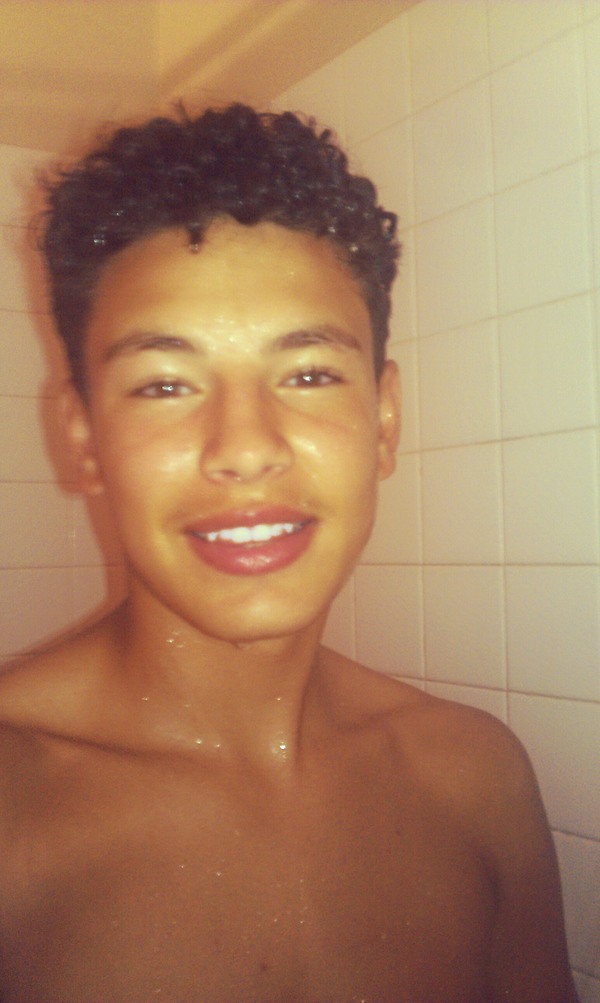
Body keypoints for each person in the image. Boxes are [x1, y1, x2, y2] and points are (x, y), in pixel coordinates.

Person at [0, 104, 578, 1003]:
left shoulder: (476, 777)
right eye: (164, 384)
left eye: (308, 374)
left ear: (383, 419)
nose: (245, 447)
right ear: (82, 439)